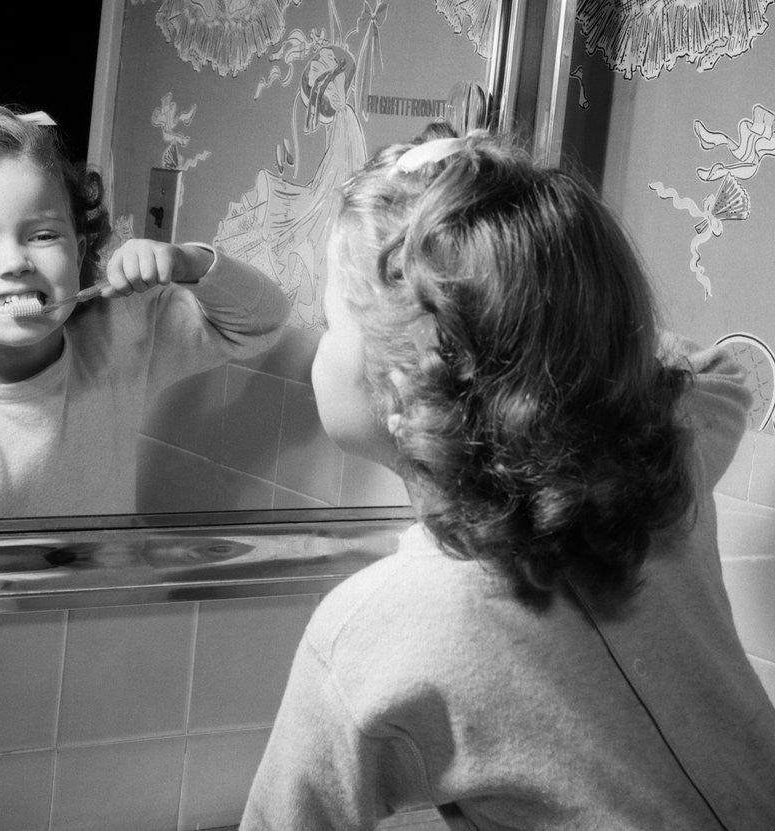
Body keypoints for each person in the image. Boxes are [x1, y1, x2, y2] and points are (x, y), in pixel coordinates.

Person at [240, 126, 775, 829]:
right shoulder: (661, 481)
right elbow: (716, 379)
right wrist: (562, 317)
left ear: (404, 387)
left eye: (332, 323)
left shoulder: (372, 633)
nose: (316, 340)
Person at [0, 104, 289, 520]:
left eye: (43, 235)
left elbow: (261, 323)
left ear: (78, 251)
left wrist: (188, 263)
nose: (15, 262)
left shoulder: (121, 329)